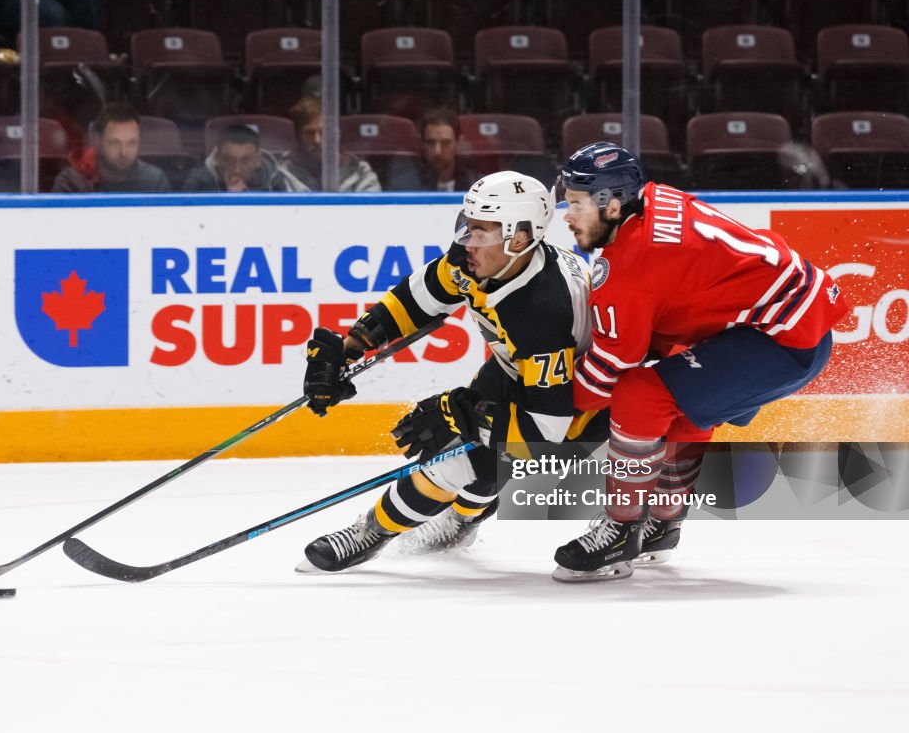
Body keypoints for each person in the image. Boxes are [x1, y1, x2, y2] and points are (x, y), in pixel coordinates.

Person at [552, 142, 849, 582]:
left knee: (641, 395)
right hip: (791, 328)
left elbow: (611, 370)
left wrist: (547, 402)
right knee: (682, 400)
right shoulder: (651, 197)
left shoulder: (630, 268)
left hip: (780, 343)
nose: (567, 216)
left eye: (575, 204)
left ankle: (620, 528)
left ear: (612, 205)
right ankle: (662, 524)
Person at [295, 171, 607, 573]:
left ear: (520, 238)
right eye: (468, 226)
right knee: (478, 456)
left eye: (482, 232)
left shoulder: (545, 311)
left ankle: (373, 531)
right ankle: (462, 522)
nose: (466, 243)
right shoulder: (480, 260)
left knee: (457, 461)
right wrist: (350, 348)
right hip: (517, 372)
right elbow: (417, 299)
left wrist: (462, 418)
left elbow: (544, 431)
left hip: (582, 409)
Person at [53, 103, 171, 193]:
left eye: (131, 143)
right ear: (97, 141)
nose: (123, 152)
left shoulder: (154, 181)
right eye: (115, 143)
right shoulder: (71, 181)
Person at [277, 97, 381, 192]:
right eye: (309, 133)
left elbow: (373, 209)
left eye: (324, 132)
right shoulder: (282, 173)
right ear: (298, 136)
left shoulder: (359, 172)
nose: (317, 140)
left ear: (337, 134)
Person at [391, 109, 479, 192]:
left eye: (445, 143)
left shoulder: (478, 186)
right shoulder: (403, 187)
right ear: (421, 144)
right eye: (430, 143)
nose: (437, 151)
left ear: (458, 143)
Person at [183, 124, 288, 192]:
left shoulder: (274, 180)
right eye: (228, 160)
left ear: (258, 160)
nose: (237, 169)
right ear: (217, 158)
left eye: (246, 160)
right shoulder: (199, 183)